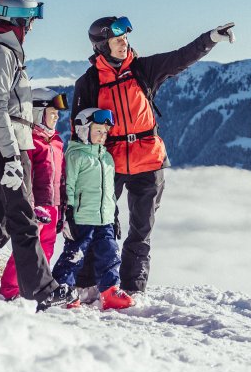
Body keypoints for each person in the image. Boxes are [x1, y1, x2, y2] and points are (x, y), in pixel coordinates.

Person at [71, 16, 235, 296]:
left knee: (141, 230)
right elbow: (78, 131)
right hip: (110, 163)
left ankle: (133, 290)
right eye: (117, 40)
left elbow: (181, 58)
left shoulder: (142, 69)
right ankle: (87, 285)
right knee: (99, 224)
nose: (124, 44)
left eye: (125, 39)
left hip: (149, 161)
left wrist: (211, 38)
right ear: (101, 46)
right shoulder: (88, 83)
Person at [0, 0, 78, 311]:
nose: (34, 26)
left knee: (0, 220)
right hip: (6, 146)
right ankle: (41, 288)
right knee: (23, 216)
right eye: (32, 19)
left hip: (3, 144)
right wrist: (11, 157)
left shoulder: (2, 50)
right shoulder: (0, 53)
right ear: (20, 19)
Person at [52, 108, 133, 310]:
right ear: (83, 129)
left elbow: (110, 192)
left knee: (110, 254)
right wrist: (67, 214)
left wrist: (114, 215)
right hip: (81, 217)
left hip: (104, 218)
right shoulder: (75, 156)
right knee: (75, 255)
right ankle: (63, 290)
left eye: (105, 132)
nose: (102, 136)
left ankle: (109, 291)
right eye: (98, 131)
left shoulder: (107, 158)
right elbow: (66, 186)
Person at [0, 88, 70, 300]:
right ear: (38, 112)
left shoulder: (56, 141)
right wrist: (30, 206)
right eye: (52, 112)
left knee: (46, 249)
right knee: (28, 250)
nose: (57, 117)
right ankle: (10, 290)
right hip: (37, 206)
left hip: (53, 206)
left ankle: (36, 289)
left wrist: (62, 208)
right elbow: (26, 178)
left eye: (57, 114)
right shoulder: (30, 141)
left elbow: (62, 178)